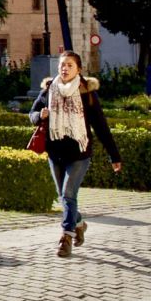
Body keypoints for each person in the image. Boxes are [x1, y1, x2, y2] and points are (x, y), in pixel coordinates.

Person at [29, 51, 122, 258]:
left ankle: (66, 237)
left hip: (79, 153)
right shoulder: (48, 90)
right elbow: (32, 113)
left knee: (69, 194)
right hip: (55, 152)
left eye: (70, 65)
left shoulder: (87, 94)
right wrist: (39, 116)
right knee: (63, 197)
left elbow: (101, 127)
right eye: (62, 65)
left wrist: (114, 156)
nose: (65, 68)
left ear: (78, 69)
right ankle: (78, 223)